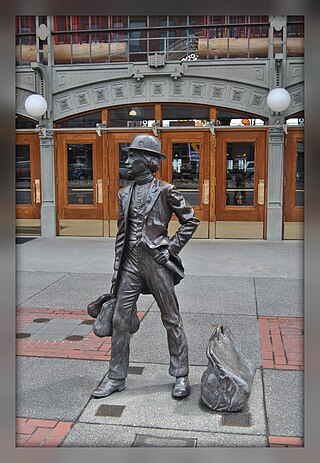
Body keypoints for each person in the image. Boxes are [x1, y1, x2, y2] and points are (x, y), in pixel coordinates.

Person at [91, 134, 199, 399]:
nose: (127, 161)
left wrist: (170, 248)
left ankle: (181, 374)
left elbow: (191, 221)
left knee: (171, 317)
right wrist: (117, 268)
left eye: (132, 156)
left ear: (147, 160)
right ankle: (116, 376)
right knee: (119, 319)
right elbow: (121, 233)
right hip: (130, 263)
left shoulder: (165, 190)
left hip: (156, 262)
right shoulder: (124, 192)